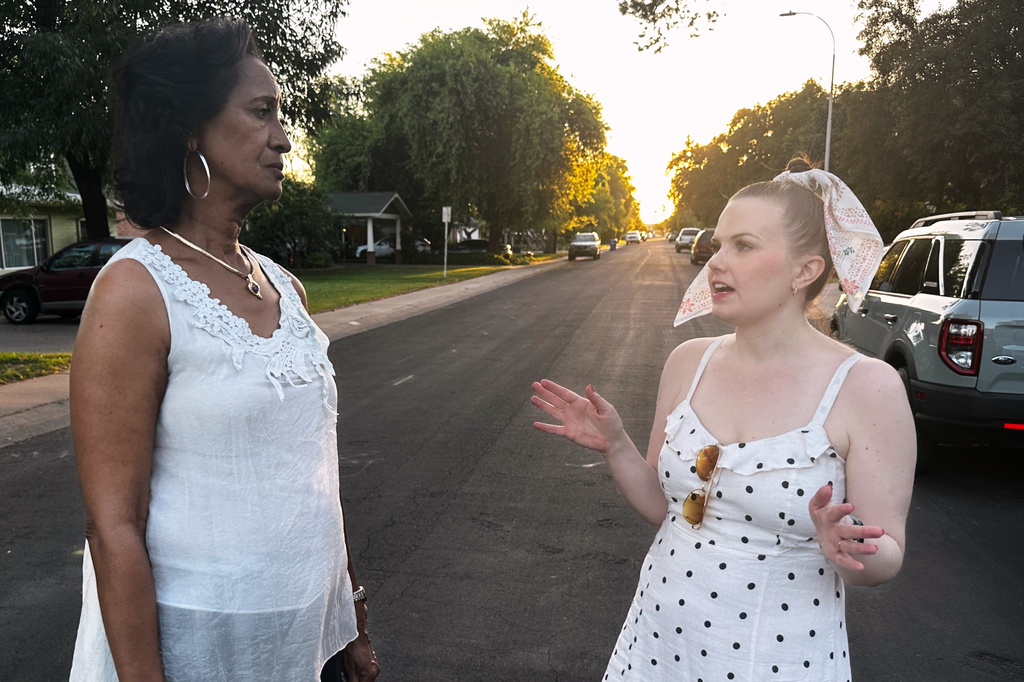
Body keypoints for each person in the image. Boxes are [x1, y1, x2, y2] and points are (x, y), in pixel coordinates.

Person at [69, 18, 379, 682]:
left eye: (281, 115)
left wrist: (351, 616)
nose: (284, 138)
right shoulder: (135, 291)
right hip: (203, 647)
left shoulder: (285, 286)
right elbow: (113, 527)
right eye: (262, 113)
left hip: (312, 638)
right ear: (190, 129)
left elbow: (315, 475)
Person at [532, 155, 915, 681]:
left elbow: (887, 555)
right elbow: (666, 510)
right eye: (718, 245)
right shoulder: (689, 361)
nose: (715, 262)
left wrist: (847, 543)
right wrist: (616, 446)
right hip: (656, 646)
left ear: (806, 271)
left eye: (744, 246)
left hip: (778, 661)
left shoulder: (866, 386)